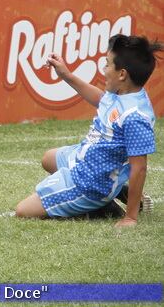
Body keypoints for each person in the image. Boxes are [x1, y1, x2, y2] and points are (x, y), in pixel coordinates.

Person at [15, 35, 161, 227]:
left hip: (90, 182)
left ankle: (99, 205)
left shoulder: (135, 116)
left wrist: (130, 217)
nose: (104, 69)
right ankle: (116, 192)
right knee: (48, 159)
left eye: (107, 64)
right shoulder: (123, 92)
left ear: (122, 74)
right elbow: (103, 101)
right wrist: (66, 75)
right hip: (84, 158)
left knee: (23, 211)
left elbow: (139, 167)